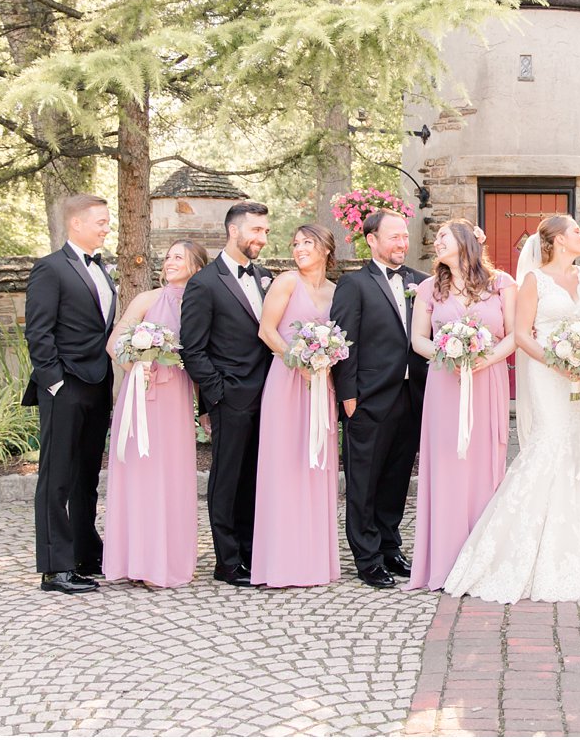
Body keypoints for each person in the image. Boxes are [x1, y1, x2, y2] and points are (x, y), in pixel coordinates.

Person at [443, 215, 580, 603]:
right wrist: (559, 363)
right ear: (554, 241)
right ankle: (518, 551)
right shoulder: (534, 280)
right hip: (548, 370)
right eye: (575, 231)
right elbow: (521, 334)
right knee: (551, 446)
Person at [406, 219, 516, 591]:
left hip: (488, 380)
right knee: (448, 466)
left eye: (443, 237)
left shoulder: (502, 284)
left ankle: (483, 563)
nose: (436, 242)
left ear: (464, 242)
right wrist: (445, 351)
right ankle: (445, 561)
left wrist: (489, 357)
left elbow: (516, 333)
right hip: (445, 382)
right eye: (436, 238)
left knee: (485, 464)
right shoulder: (427, 288)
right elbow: (418, 339)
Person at [23, 193, 118, 594]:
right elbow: (38, 331)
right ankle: (55, 567)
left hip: (99, 385)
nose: (106, 227)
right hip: (65, 386)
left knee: (86, 477)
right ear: (76, 224)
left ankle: (84, 552)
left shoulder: (102, 270)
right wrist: (55, 382)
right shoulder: (50, 268)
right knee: (56, 477)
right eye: (100, 221)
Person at [331, 209, 428, 589]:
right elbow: (344, 342)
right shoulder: (353, 285)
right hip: (369, 398)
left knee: (396, 478)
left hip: (411, 396)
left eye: (405, 237)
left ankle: (390, 547)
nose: (402, 244)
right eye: (394, 237)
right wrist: (348, 395)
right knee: (363, 482)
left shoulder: (420, 282)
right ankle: (367, 558)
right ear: (372, 240)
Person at [101, 239, 205, 589]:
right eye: (168, 256)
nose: (170, 261)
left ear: (196, 264)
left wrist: (204, 407)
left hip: (176, 397)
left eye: (179, 256)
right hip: (140, 396)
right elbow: (114, 342)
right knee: (140, 477)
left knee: (172, 478)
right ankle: (136, 560)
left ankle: (169, 562)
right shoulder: (147, 299)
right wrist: (136, 364)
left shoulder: (201, 303)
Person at [180, 201, 273, 588]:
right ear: (233, 231)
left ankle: (253, 552)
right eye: (255, 231)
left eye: (265, 231)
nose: (262, 238)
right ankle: (228, 560)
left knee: (255, 478)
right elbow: (192, 349)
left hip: (268, 397)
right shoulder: (204, 283)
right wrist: (217, 396)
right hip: (230, 398)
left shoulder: (267, 277)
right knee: (227, 480)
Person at [249, 224, 342, 587]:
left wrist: (322, 362)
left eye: (308, 242)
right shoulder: (286, 281)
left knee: (317, 465)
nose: (299, 248)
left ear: (326, 248)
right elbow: (266, 330)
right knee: (284, 466)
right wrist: (298, 361)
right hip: (287, 380)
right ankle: (280, 563)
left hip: (322, 384)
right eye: (296, 243)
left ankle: (313, 561)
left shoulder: (337, 290)